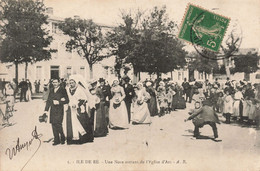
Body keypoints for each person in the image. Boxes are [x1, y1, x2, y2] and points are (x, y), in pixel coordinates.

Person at [66, 75, 94, 144]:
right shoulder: (68, 90)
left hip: (78, 108)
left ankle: (83, 138)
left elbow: (84, 99)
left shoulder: (79, 90)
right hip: (71, 108)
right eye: (70, 83)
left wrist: (77, 105)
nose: (71, 84)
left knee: (81, 122)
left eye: (73, 82)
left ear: (75, 83)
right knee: (72, 122)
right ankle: (73, 138)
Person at [43, 78, 69, 146]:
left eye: (56, 82)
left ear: (59, 83)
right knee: (53, 124)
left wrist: (59, 102)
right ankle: (56, 139)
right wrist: (46, 110)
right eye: (53, 82)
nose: (54, 84)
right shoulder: (51, 90)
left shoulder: (63, 90)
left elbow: (67, 100)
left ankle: (62, 137)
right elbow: (48, 101)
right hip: (53, 109)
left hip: (59, 109)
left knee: (58, 124)